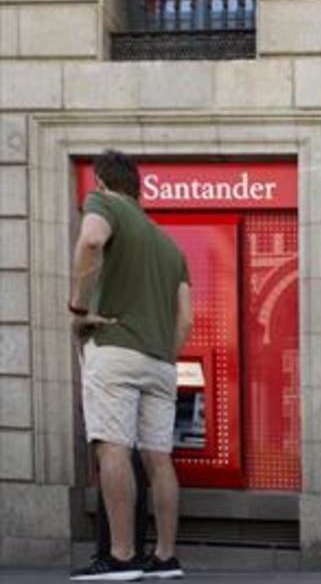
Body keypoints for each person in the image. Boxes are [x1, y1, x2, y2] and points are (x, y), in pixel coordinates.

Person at [69, 149, 193, 582]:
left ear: (102, 182)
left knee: (113, 447)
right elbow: (187, 318)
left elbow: (90, 241)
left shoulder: (104, 204)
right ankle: (165, 557)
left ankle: (121, 557)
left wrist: (78, 308)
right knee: (159, 458)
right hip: (160, 363)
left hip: (116, 349)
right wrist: (164, 353)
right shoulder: (169, 244)